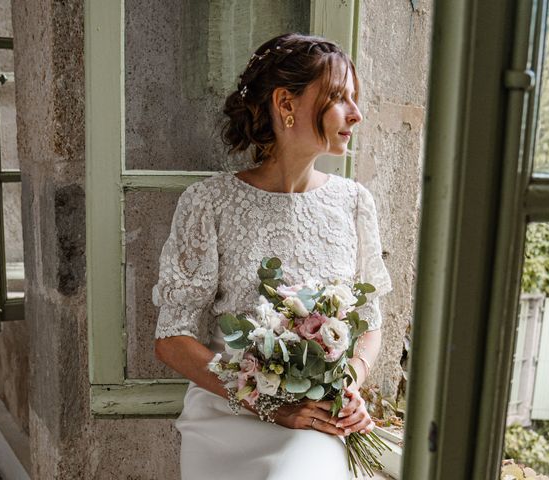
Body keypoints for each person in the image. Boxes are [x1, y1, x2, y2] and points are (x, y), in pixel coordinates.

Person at [152, 32, 393, 480]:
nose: (356, 115)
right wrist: (267, 403)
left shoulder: (354, 203)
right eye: (340, 98)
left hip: (315, 416)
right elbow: (171, 339)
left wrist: (347, 386)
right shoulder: (209, 203)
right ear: (287, 102)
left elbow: (370, 324)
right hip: (228, 412)